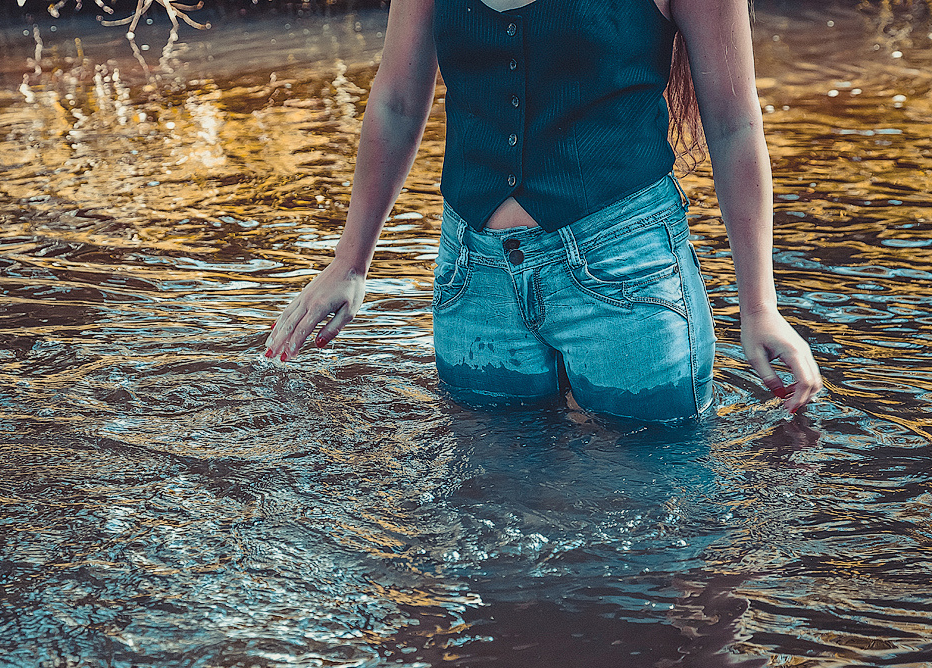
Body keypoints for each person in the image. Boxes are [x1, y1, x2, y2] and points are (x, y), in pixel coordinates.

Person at [262, 0, 822, 422]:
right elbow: (397, 102)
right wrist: (350, 263)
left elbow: (734, 125)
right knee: (484, 514)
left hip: (627, 271)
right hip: (472, 280)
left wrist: (759, 306)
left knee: (651, 510)